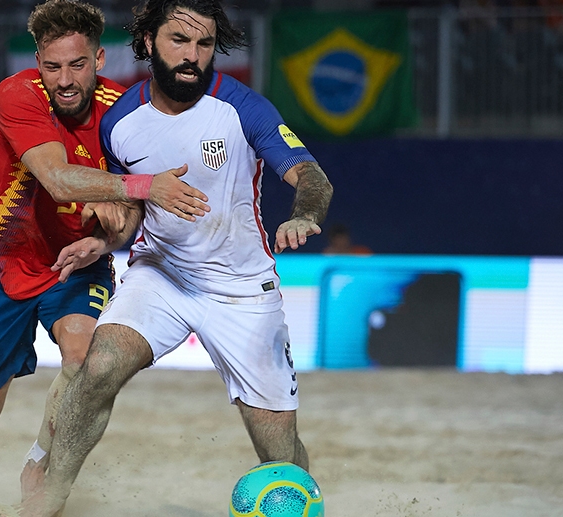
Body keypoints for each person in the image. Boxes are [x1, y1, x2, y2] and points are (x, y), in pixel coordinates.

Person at [20, 0, 334, 514]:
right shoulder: (120, 122)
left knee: (280, 457)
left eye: (204, 44)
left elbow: (311, 175)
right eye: (178, 41)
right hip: (160, 275)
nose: (192, 55)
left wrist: (303, 213)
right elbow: (132, 211)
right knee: (100, 366)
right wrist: (104, 240)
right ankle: (49, 498)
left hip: (241, 290)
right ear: (148, 43)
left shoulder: (243, 108)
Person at [0, 0, 210, 510]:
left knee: (85, 358)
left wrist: (106, 240)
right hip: (7, 266)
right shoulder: (17, 94)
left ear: (100, 59)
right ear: (38, 62)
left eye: (77, 65)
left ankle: (41, 465)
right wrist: (142, 185)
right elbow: (58, 178)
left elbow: (129, 215)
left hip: (78, 265)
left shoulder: (126, 112)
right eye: (52, 66)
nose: (64, 79)